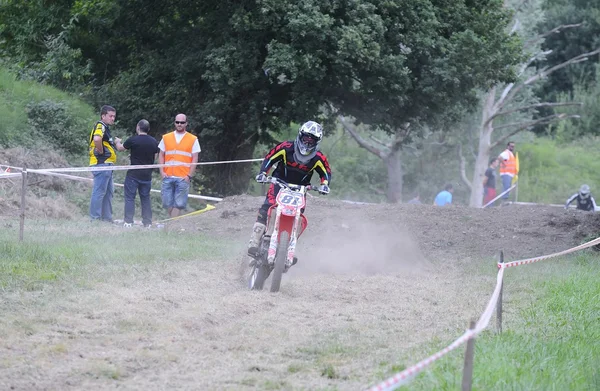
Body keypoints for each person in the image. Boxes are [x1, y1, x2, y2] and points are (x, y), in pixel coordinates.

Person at [248, 120, 332, 261]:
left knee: (299, 215)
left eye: (312, 140)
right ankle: (255, 241)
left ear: (317, 142)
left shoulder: (318, 157)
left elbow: (326, 172)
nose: (307, 143)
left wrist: (325, 184)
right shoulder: (286, 147)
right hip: (279, 183)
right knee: (268, 207)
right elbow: (269, 158)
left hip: (300, 189)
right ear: (300, 136)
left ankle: (288, 247)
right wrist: (263, 173)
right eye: (306, 138)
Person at [116, 119, 159, 227]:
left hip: (133, 174)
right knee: (145, 198)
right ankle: (147, 223)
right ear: (148, 129)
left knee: (130, 197)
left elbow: (120, 148)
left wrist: (117, 142)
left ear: (138, 127)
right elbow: (155, 157)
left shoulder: (133, 140)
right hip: (147, 175)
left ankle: (128, 222)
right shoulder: (154, 141)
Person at [158, 114, 200, 218]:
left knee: (179, 204)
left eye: (182, 122)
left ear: (186, 123)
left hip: (183, 177)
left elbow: (195, 158)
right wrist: (162, 172)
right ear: (174, 123)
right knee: (167, 203)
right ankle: (172, 224)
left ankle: (171, 226)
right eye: (177, 122)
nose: (179, 124)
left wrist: (189, 175)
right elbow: (161, 154)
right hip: (167, 175)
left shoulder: (192, 139)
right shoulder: (166, 137)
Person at [89, 105, 122, 222]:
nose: (113, 118)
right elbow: (97, 139)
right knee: (99, 192)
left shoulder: (106, 127)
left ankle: (107, 219)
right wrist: (101, 150)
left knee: (108, 193)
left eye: (114, 116)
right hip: (102, 164)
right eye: (110, 116)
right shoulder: (101, 125)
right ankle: (95, 219)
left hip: (107, 165)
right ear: (103, 116)